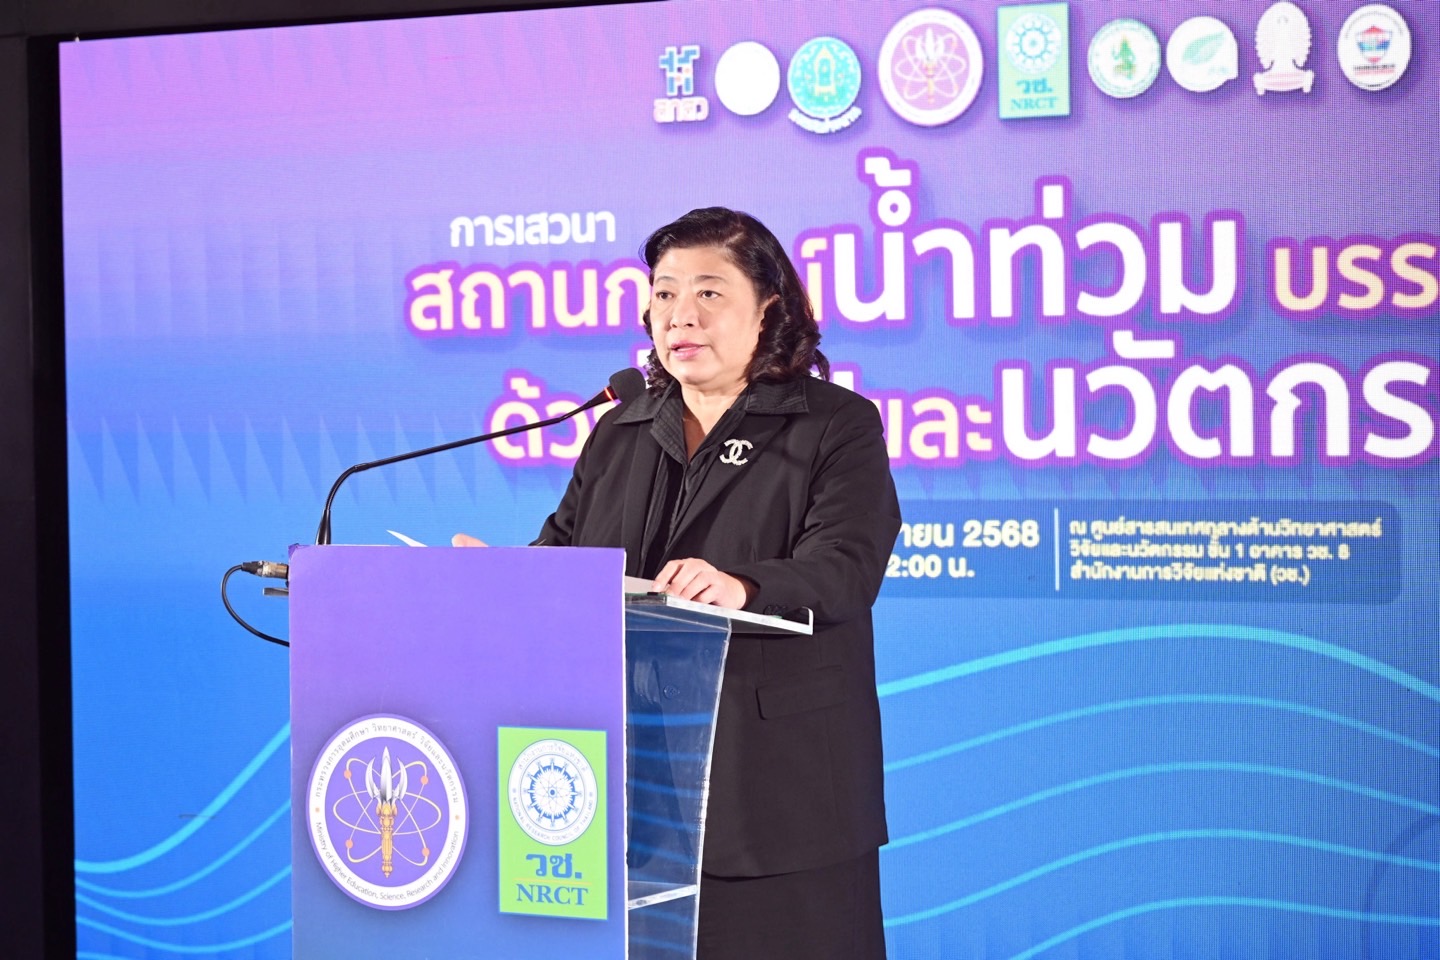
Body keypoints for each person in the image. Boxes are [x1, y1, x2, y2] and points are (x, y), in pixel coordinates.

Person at [466, 207, 900, 959]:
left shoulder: (835, 425)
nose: (680, 315)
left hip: (776, 789)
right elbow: (564, 556)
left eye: (708, 293)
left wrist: (742, 585)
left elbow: (847, 567)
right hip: (627, 785)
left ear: (768, 310)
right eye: (664, 294)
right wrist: (503, 580)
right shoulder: (621, 428)